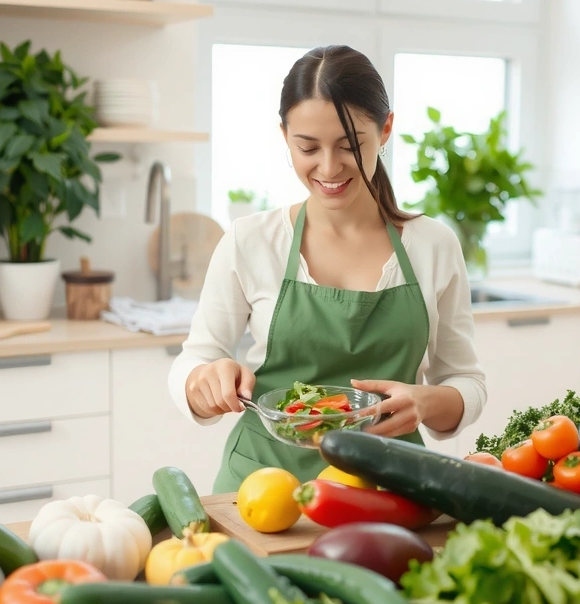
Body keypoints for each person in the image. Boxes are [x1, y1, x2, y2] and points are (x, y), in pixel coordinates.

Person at [167, 45, 487, 494]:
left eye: (350, 145)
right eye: (308, 147)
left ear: (386, 130)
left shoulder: (433, 245)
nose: (329, 167)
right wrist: (202, 381)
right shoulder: (250, 241)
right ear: (285, 137)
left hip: (388, 487)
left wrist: (426, 402)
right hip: (261, 487)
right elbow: (195, 359)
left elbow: (465, 380)